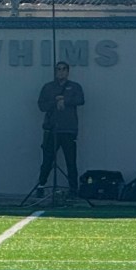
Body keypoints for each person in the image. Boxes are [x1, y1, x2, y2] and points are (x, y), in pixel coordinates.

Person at [34, 61, 84, 197]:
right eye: (58, 69)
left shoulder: (74, 87)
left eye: (63, 69)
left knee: (71, 161)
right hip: (52, 129)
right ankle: (41, 186)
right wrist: (55, 102)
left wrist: (65, 101)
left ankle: (73, 190)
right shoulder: (48, 87)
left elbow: (81, 100)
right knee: (47, 161)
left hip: (68, 130)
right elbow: (41, 106)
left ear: (68, 72)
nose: (61, 72)